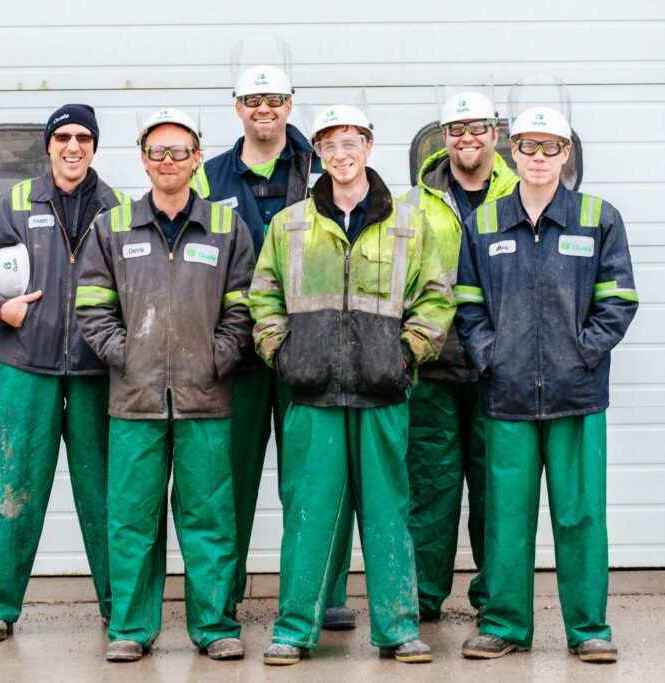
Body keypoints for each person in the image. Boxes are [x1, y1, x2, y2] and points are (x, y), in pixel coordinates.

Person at [249, 104, 454, 665]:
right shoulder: (288, 225)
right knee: (309, 515)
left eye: (351, 143)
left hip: (383, 392)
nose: (341, 155)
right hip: (311, 393)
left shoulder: (409, 226)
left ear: (369, 146)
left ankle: (398, 629)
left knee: (390, 513)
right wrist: (283, 354)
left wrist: (404, 356)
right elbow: (262, 296)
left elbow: (437, 298)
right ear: (317, 154)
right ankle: (294, 631)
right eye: (330, 145)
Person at [455, 106, 638, 664]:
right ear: (513, 152)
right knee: (506, 517)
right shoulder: (485, 223)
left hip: (576, 397)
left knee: (580, 515)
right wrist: (492, 358)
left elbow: (619, 301)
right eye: (528, 148)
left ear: (567, 154)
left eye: (550, 148)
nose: (538, 158)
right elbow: (467, 307)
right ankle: (506, 625)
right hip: (507, 396)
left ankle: (588, 630)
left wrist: (581, 354)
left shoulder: (597, 217)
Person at [75, 108, 255, 662]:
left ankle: (215, 626)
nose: (168, 161)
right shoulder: (114, 226)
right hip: (135, 400)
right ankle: (130, 628)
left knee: (209, 519)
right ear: (144, 159)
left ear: (197, 158)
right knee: (132, 520)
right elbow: (91, 304)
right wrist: (124, 356)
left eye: (179, 151)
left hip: (206, 398)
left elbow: (245, 304)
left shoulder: (227, 227)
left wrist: (217, 357)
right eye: (157, 152)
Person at [192, 65, 355, 630]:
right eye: (253, 99)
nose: (265, 108)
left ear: (291, 104)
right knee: (226, 481)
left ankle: (322, 594)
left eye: (276, 99)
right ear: (236, 106)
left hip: (308, 351)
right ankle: (223, 595)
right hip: (235, 353)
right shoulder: (208, 178)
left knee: (315, 476)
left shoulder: (320, 169)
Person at [0, 104, 121, 642]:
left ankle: (119, 606)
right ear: (48, 145)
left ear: (95, 146)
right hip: (27, 366)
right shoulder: (16, 203)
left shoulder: (116, 207)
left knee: (109, 493)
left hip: (98, 370)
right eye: (63, 137)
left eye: (84, 138)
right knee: (13, 482)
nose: (73, 147)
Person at [397, 91, 518, 622]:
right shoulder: (412, 204)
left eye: (477, 128)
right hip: (435, 367)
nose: (466, 138)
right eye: (455, 129)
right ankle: (423, 595)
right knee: (431, 487)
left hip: (503, 370)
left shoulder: (524, 194)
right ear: (442, 138)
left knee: (497, 491)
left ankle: (496, 595)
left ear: (496, 134)